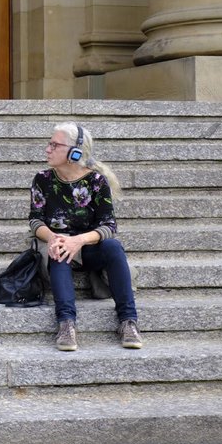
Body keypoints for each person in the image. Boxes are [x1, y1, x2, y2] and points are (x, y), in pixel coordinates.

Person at [29, 122, 141, 352]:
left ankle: (128, 321)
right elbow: (35, 220)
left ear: (74, 152)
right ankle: (66, 323)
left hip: (88, 247)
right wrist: (52, 237)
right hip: (58, 248)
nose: (47, 149)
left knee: (113, 246)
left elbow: (109, 225)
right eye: (49, 144)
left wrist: (78, 240)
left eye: (54, 145)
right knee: (59, 250)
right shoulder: (42, 179)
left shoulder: (96, 182)